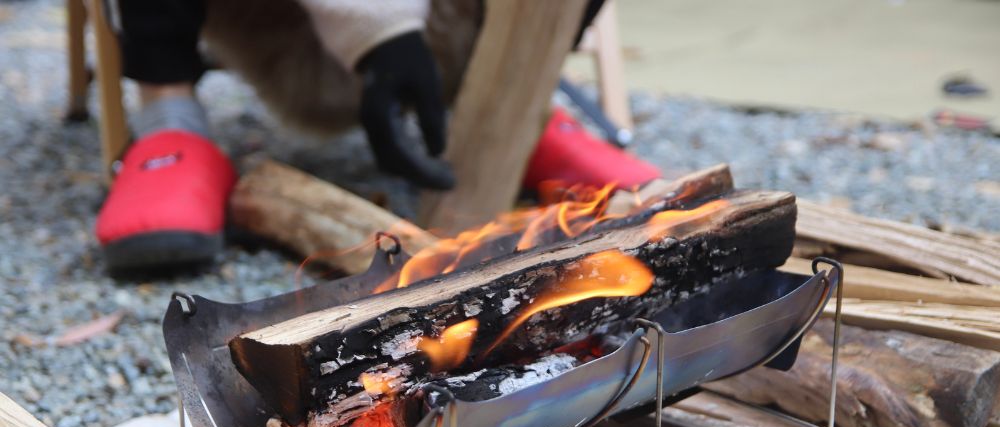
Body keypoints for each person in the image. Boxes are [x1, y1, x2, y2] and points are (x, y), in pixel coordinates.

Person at [96, 0, 661, 270]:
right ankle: (169, 120)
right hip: (266, 20)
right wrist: (374, 24)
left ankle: (515, 109)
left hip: (444, 25)